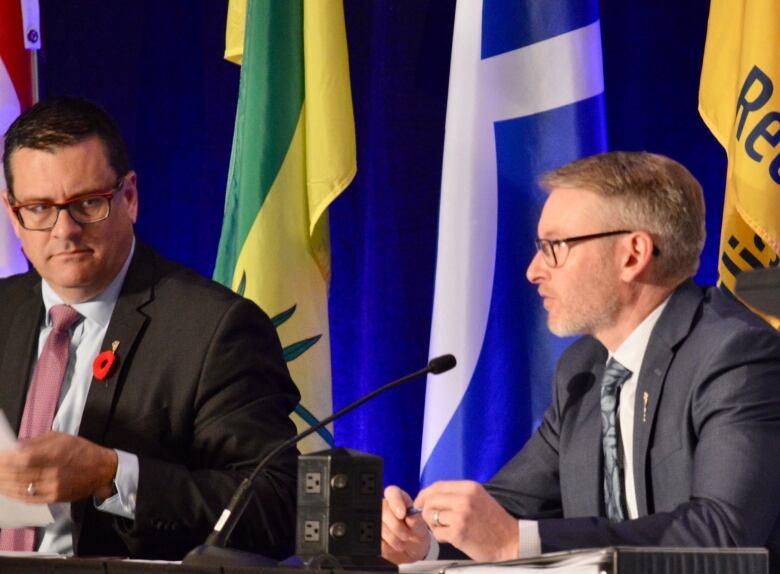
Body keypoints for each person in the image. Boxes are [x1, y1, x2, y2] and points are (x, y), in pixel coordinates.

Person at [382, 151, 780, 567]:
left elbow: (722, 534)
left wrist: (515, 543)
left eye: (554, 246)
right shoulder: (584, 370)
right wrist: (424, 536)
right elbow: (508, 511)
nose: (534, 270)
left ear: (633, 254)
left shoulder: (736, 355)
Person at [0, 97, 300, 560]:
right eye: (39, 208)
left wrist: (113, 474)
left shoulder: (215, 330)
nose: (64, 230)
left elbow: (277, 508)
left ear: (130, 197)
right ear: (13, 213)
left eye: (88, 203)